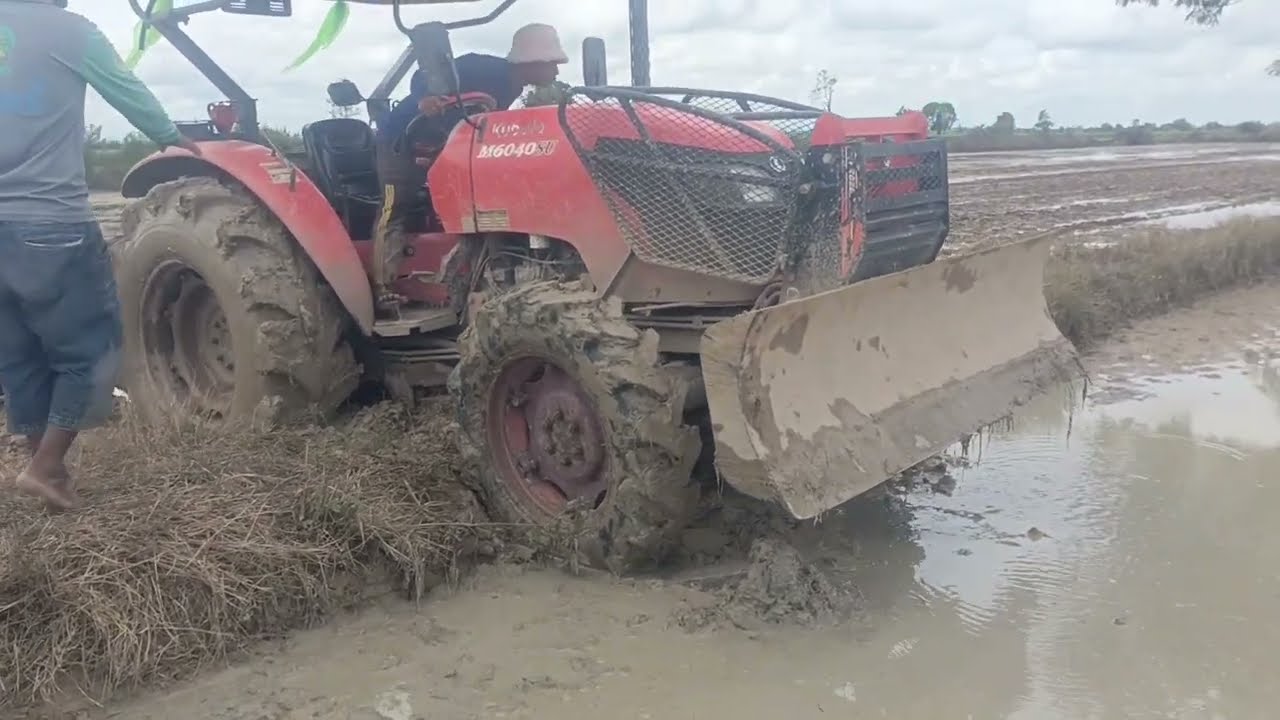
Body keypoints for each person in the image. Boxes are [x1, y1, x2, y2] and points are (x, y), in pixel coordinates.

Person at [0, 0, 199, 510]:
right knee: (91, 349)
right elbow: (128, 91)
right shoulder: (69, 30)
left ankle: (47, 471)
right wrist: (177, 142)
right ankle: (45, 466)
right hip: (48, 221)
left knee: (19, 351)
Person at [369, 22, 568, 314]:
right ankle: (383, 288)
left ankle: (472, 273)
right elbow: (423, 77)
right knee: (395, 205)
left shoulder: (513, 87)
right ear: (532, 61)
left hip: (439, 144)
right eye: (552, 63)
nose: (557, 72)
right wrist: (426, 97)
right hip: (399, 142)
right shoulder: (480, 67)